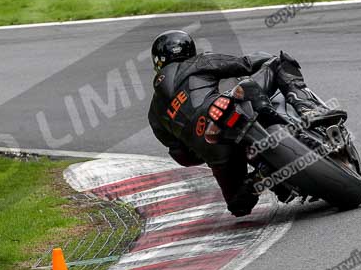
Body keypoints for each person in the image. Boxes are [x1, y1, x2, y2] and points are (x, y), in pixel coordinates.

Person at [147, 30, 346, 217]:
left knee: (238, 205)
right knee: (278, 62)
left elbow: (182, 157)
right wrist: (264, 58)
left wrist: (202, 148)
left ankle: (257, 180)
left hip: (215, 149)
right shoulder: (197, 62)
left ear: (157, 62)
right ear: (190, 50)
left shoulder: (154, 113)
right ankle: (307, 109)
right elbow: (246, 64)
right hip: (221, 108)